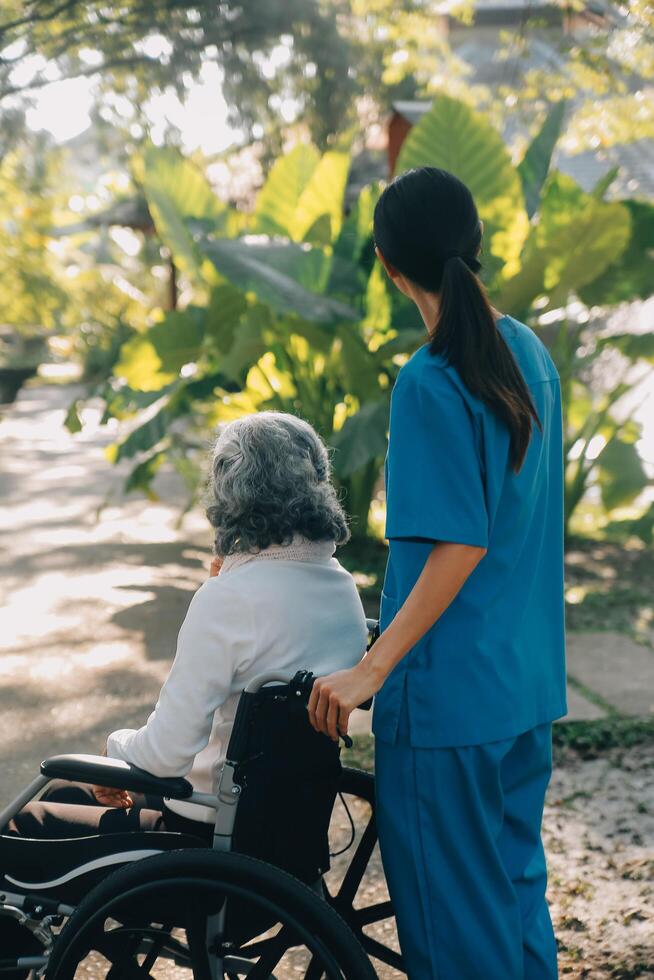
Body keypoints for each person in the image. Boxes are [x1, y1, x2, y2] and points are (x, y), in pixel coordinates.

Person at [308, 166, 566, 979]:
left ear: (389, 264)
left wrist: (371, 669)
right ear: (476, 244)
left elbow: (460, 544)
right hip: (523, 688)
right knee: (514, 897)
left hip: (448, 704)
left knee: (458, 933)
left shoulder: (429, 382)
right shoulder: (527, 351)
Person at [6, 411, 368, 842]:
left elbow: (165, 755)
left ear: (230, 492)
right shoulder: (342, 588)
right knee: (69, 790)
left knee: (21, 825)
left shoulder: (230, 598)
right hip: (284, 835)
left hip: (205, 834)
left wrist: (115, 744)